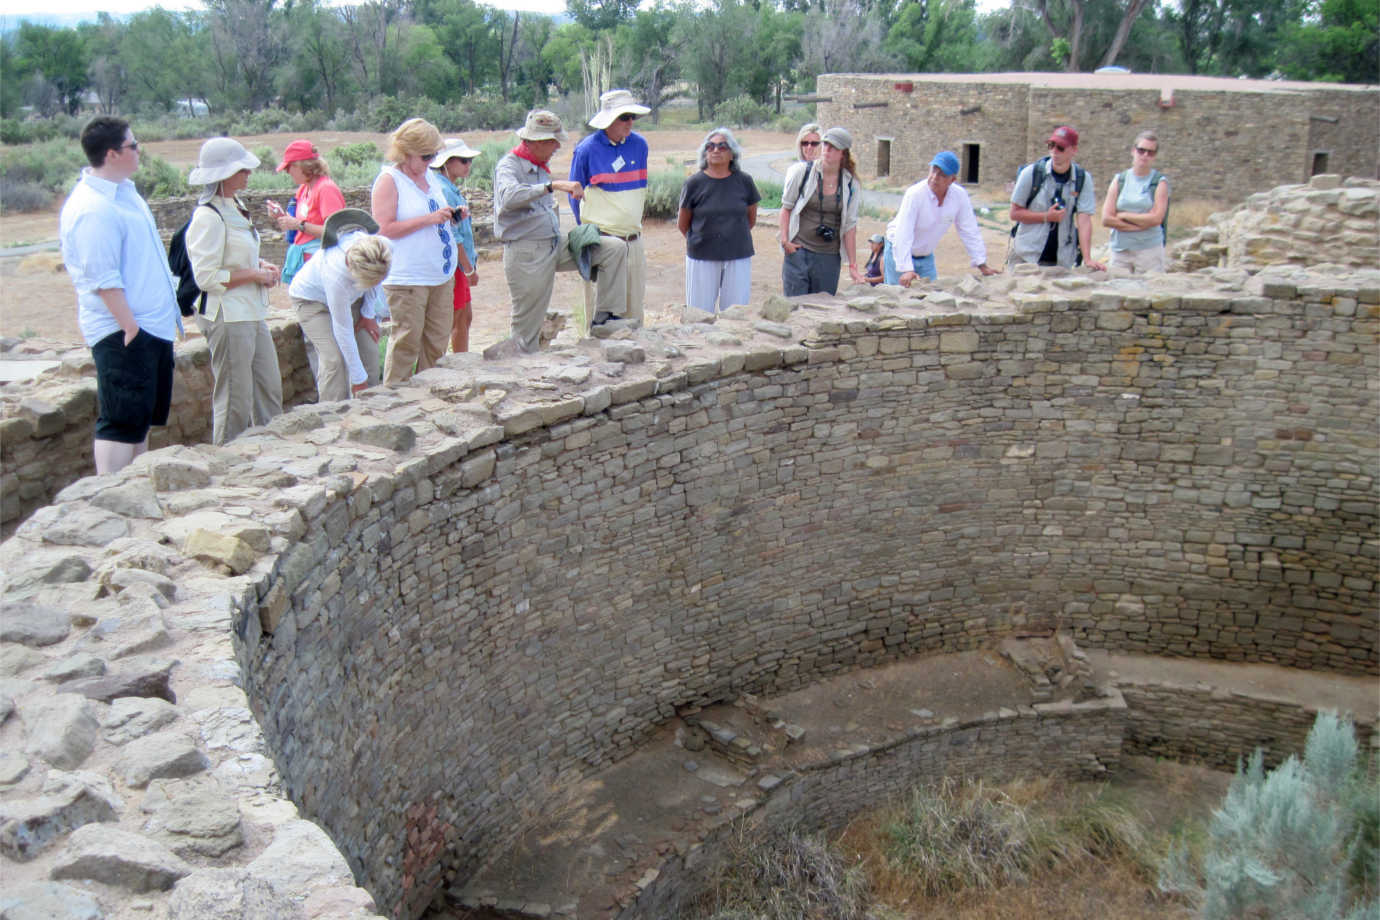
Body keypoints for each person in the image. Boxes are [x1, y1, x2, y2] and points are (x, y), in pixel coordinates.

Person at [59, 115, 182, 475]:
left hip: (147, 326)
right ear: (112, 154)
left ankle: (133, 489)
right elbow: (102, 277)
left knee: (139, 417)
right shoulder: (92, 208)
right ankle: (110, 492)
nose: (139, 151)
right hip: (124, 328)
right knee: (122, 419)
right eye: (133, 146)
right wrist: (130, 327)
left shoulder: (125, 194)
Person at [494, 109, 629, 353]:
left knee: (614, 249)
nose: (557, 147)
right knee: (526, 330)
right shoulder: (509, 165)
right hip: (527, 253)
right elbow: (508, 197)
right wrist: (551, 186)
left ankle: (604, 320)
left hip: (553, 244)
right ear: (539, 141)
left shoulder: (540, 166)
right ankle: (523, 376)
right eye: (554, 142)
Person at [186, 137, 284, 444]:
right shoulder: (208, 216)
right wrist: (254, 274)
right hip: (227, 314)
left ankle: (269, 452)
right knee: (234, 399)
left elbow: (234, 255)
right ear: (224, 174)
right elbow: (206, 277)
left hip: (249, 310)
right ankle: (227, 461)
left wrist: (260, 265)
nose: (248, 174)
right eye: (241, 168)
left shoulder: (234, 207)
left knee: (268, 389)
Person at [371, 118, 456, 384]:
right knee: (407, 343)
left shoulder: (428, 175)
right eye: (426, 155)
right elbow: (383, 228)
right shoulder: (389, 180)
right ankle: (395, 400)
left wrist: (451, 216)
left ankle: (429, 397)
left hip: (439, 274)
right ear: (406, 152)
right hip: (407, 278)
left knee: (437, 343)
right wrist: (429, 220)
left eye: (434, 155)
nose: (431, 161)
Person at [289, 209, 392, 401]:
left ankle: (371, 412)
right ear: (354, 272)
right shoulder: (336, 275)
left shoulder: (383, 248)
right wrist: (357, 379)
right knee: (334, 360)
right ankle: (333, 417)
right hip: (311, 302)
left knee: (368, 350)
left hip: (354, 297)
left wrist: (368, 314)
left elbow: (376, 280)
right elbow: (342, 330)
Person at [569, 89, 651, 328]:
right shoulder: (586, 150)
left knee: (634, 313)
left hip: (634, 240)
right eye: (624, 117)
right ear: (608, 120)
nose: (630, 123)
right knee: (602, 318)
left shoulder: (640, 146)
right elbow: (575, 196)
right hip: (604, 243)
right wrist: (588, 235)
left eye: (632, 117)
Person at [884, 151, 1000, 286]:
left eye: (942, 175)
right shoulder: (915, 194)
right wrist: (906, 268)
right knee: (899, 299)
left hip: (925, 256)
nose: (934, 177)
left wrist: (982, 264)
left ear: (952, 180)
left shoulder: (959, 196)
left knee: (931, 297)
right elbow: (903, 232)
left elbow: (969, 229)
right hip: (898, 253)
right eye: (933, 171)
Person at [677, 128, 761, 314]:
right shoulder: (693, 183)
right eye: (710, 146)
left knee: (735, 314)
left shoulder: (744, 181)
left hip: (738, 254)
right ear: (705, 152)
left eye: (722, 146)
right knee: (699, 314)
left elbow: (750, 219)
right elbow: (683, 224)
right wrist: (702, 240)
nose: (716, 150)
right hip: (702, 256)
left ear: (732, 154)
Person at [779, 126, 863, 295]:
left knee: (822, 307)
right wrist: (785, 240)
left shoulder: (850, 183)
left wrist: (853, 266)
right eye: (825, 144)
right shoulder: (803, 172)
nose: (827, 150)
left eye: (834, 147)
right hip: (799, 250)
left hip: (829, 256)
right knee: (795, 308)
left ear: (843, 153)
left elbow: (850, 226)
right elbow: (786, 207)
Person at [1009, 126, 1106, 272]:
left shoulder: (1083, 179)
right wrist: (1047, 216)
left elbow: (1084, 219)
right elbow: (1014, 213)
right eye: (1051, 145)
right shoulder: (1031, 173)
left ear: (1073, 150)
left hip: (1061, 259)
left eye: (1061, 147)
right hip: (1028, 256)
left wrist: (1087, 258)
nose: (1054, 151)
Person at [430, 138, 480, 353]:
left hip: (454, 263)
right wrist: (468, 268)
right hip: (456, 265)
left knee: (464, 316)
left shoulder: (445, 186)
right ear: (447, 163)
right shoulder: (446, 190)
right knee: (458, 318)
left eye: (469, 161)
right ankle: (460, 364)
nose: (468, 165)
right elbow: (455, 234)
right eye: (463, 160)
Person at [274, 139, 346, 286]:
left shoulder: (326, 189)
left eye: (289, 167)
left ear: (302, 166)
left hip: (322, 268)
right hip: (307, 265)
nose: (287, 172)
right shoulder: (304, 189)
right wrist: (282, 217)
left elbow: (337, 231)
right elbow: (299, 224)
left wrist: (299, 225)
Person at [1102, 130, 1170, 273]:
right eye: (1141, 150)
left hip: (1149, 251)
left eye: (1150, 152)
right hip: (1121, 251)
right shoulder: (1119, 180)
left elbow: (1157, 218)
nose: (1145, 155)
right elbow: (1106, 219)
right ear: (1133, 151)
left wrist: (1124, 215)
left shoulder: (1159, 183)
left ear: (1154, 156)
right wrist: (1140, 225)